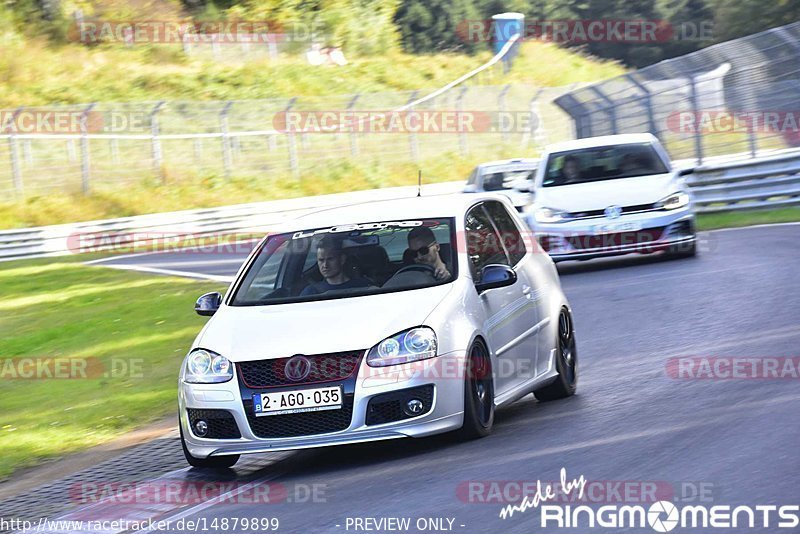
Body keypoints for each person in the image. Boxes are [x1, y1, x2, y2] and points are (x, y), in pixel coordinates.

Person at [301, 236, 371, 296]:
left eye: (330, 259)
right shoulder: (310, 292)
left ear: (342, 259)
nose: (325, 265)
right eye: (321, 260)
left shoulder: (364, 286)